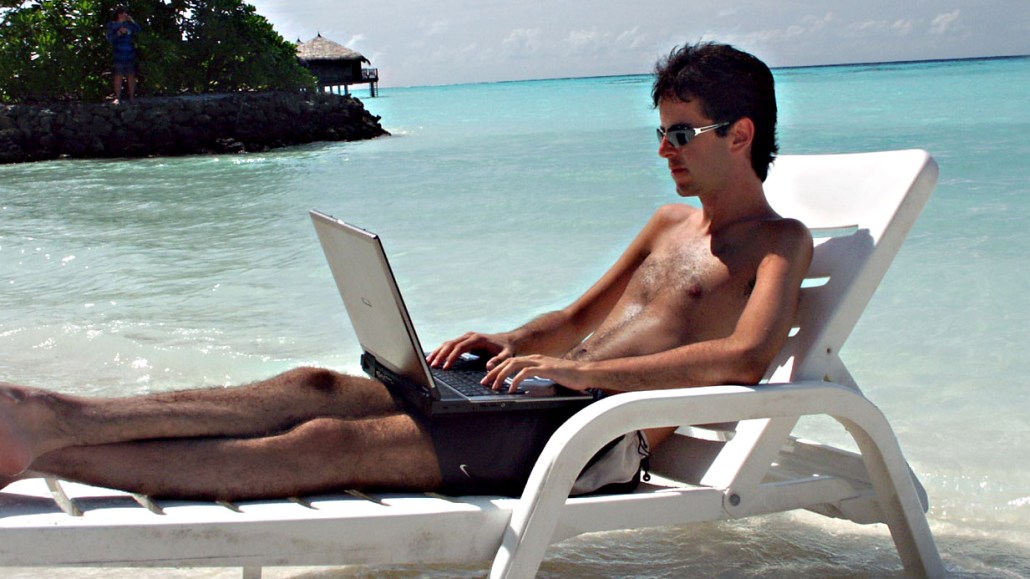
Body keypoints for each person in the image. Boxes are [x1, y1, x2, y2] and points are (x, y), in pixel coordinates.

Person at [0, 42, 812, 500]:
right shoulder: (668, 224)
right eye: (661, 132)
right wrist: (508, 341)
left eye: (680, 134)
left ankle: (41, 452)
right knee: (310, 387)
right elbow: (571, 317)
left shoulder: (778, 243)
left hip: (584, 440)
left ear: (738, 135)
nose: (664, 150)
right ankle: (46, 412)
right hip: (532, 397)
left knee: (323, 443)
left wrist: (577, 373)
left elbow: (745, 357)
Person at [105, 6, 141, 104]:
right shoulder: (112, 25)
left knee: (131, 76)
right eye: (124, 13)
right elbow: (109, 38)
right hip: (118, 54)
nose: (126, 15)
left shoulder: (129, 25)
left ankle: (132, 97)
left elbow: (138, 30)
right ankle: (117, 97)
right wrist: (118, 33)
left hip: (129, 54)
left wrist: (132, 21)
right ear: (119, 14)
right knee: (118, 76)